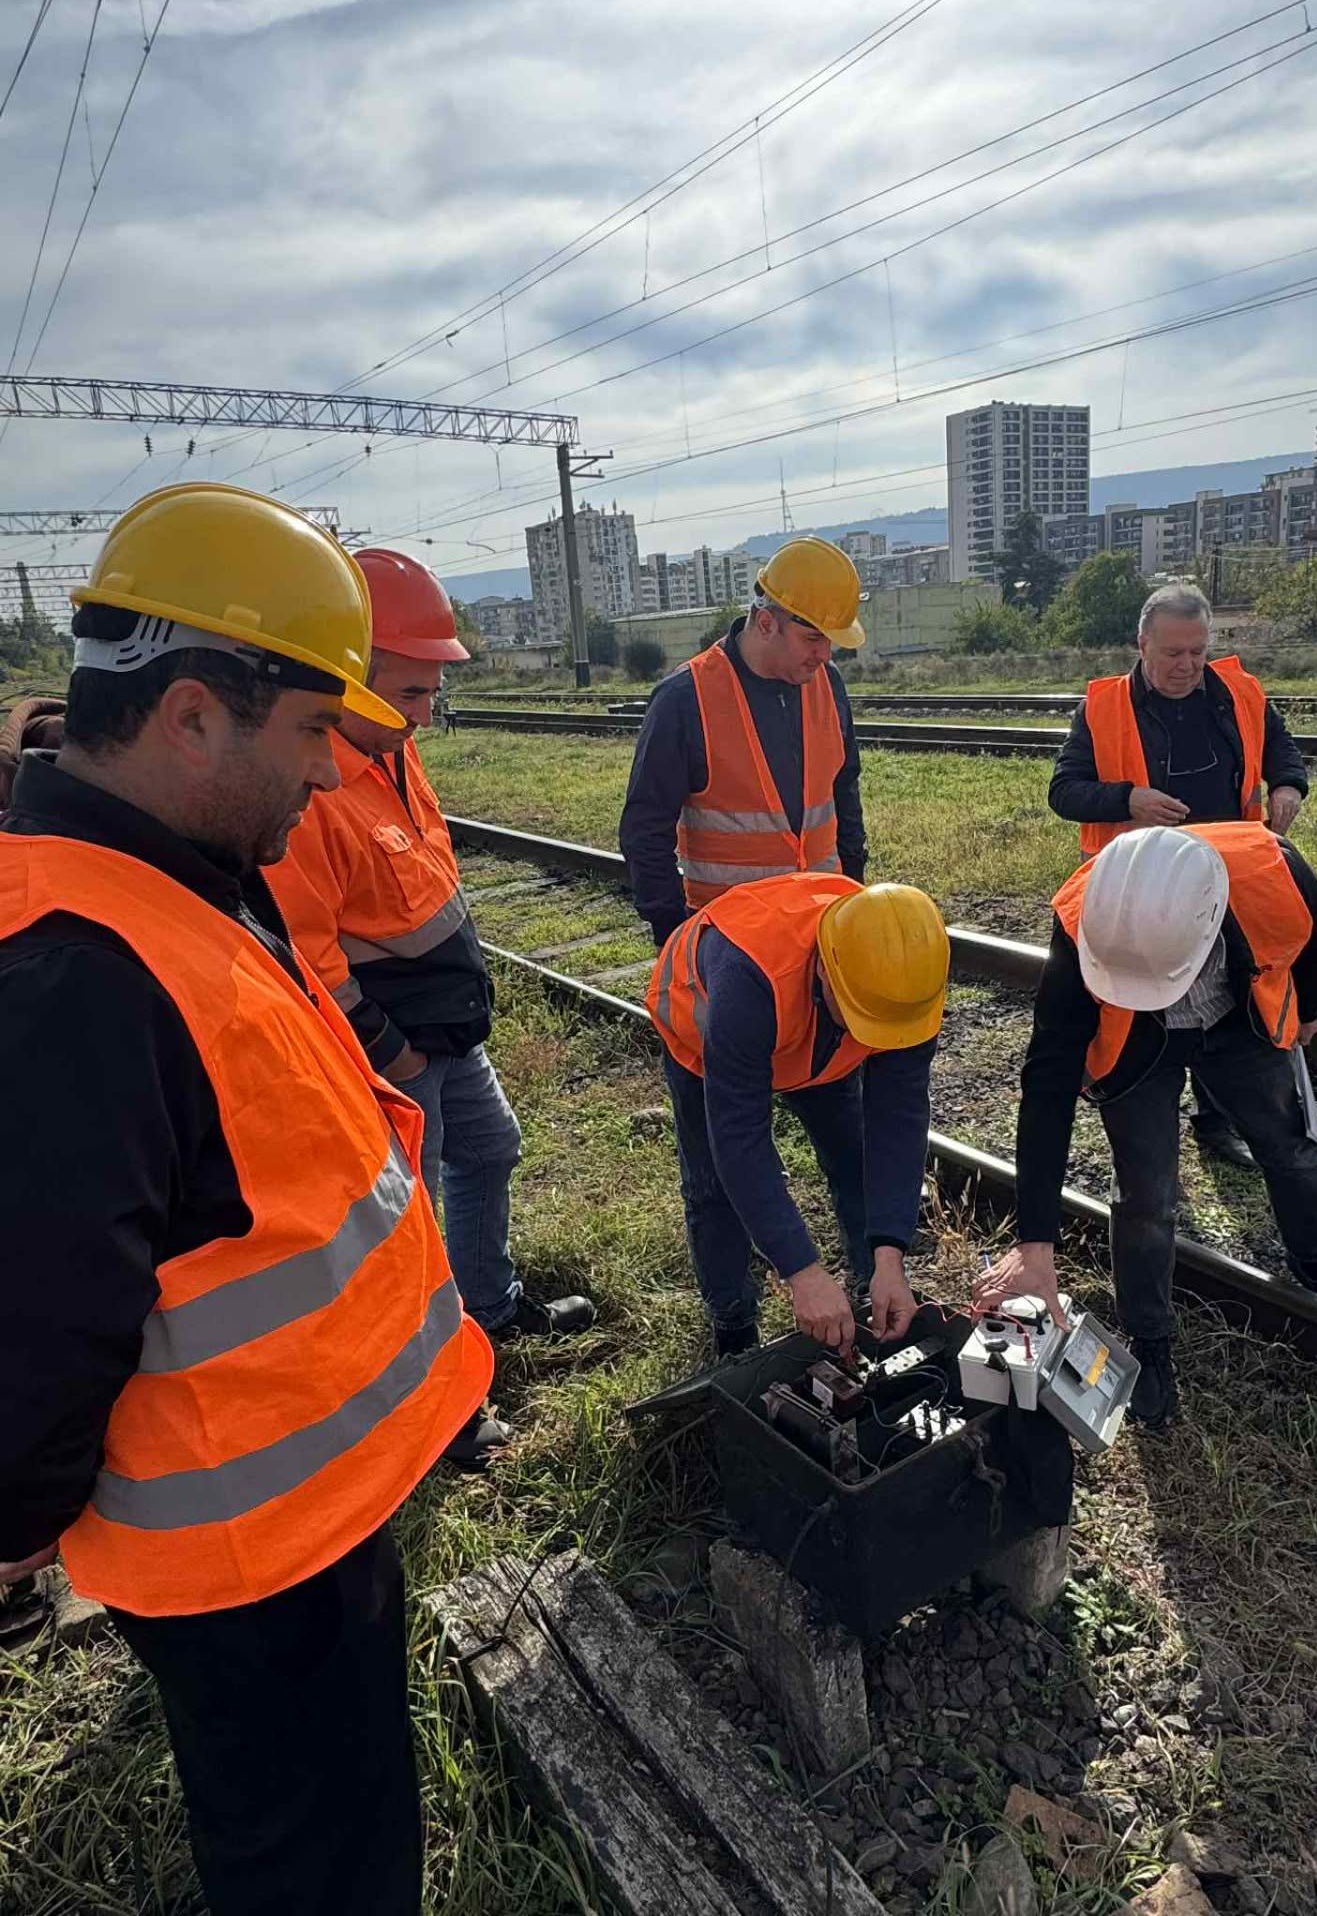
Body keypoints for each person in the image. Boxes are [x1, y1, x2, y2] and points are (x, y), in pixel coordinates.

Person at [0, 483, 494, 1916]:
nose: (334, 777)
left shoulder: (165, 873)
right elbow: (34, 1329)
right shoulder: (67, 975)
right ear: (194, 713)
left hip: (298, 1525)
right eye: (311, 735)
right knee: (315, 1871)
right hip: (244, 1566)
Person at [268, 547, 593, 1414]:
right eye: (410, 691)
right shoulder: (317, 785)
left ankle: (487, 1309)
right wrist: (392, 1055)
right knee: (409, 1221)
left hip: (447, 1031)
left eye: (429, 688)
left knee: (492, 1150)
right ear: (349, 682)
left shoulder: (392, 750)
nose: (427, 709)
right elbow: (308, 955)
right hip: (400, 1049)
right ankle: (442, 1393)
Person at [973, 823, 1317, 1432]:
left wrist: (1308, 1010)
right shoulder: (1083, 917)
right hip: (1137, 1046)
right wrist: (1036, 1243)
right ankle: (1150, 1340)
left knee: (1290, 1148)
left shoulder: (1276, 872)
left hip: (1239, 1020)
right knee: (1147, 1196)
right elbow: (1047, 1085)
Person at [1048, 582, 1310, 1171]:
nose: (1187, 665)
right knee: (1151, 1006)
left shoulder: (1238, 692)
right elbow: (1064, 792)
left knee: (1232, 1002)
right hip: (1145, 894)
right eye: (1173, 652)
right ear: (1142, 645)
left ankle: (1216, 1122)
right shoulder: (1102, 708)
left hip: (1232, 884)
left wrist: (1289, 783)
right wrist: (1127, 798)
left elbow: (1281, 750)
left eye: (1197, 651)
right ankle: (1147, 1120)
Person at [648, 869, 950, 1355]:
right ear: (828, 971)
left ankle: (872, 1290)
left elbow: (899, 1117)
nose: (872, 1038)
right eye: (861, 1019)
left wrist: (891, 1251)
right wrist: (802, 1271)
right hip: (703, 1036)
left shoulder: (904, 973)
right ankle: (734, 1326)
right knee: (713, 1191)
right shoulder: (748, 979)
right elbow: (741, 1141)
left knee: (856, 1159)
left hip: (813, 1043)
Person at [619, 536, 868, 953]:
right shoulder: (687, 697)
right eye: (813, 638)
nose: (825, 654)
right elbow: (644, 829)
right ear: (767, 622)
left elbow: (845, 791)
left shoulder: (828, 685)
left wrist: (855, 894)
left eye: (832, 641)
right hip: (731, 946)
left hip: (821, 929)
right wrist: (673, 934)